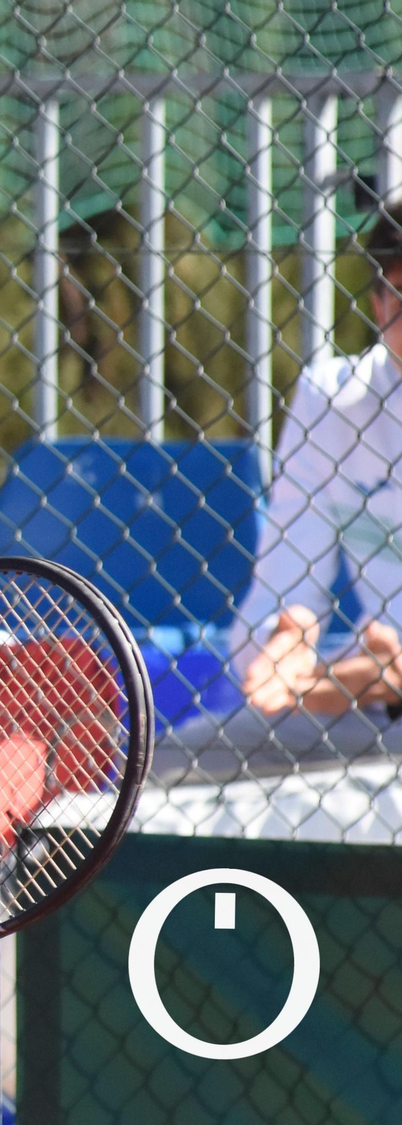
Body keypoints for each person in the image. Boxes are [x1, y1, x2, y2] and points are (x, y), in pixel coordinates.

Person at [157, 200, 402, 784]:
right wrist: (285, 643)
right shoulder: (332, 398)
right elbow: (281, 589)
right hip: (364, 710)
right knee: (157, 767)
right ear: (376, 304)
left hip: (370, 694)